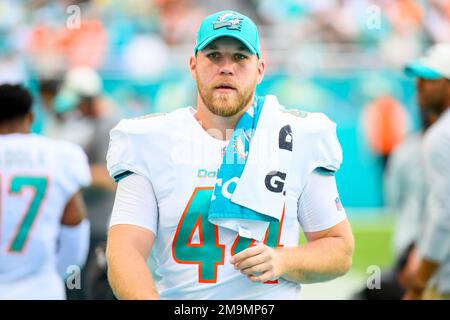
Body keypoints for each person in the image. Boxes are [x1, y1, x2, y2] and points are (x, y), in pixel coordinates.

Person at [105, 10, 354, 300]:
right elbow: (126, 250)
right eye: (213, 56)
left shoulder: (294, 136)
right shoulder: (151, 141)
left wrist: (284, 260)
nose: (226, 68)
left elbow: (339, 249)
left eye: (239, 57)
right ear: (193, 65)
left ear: (260, 69)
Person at [0, 84, 91, 299]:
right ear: (31, 117)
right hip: (39, 288)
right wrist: (56, 275)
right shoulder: (61, 156)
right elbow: (74, 229)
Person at [403, 43, 450, 300]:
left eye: (430, 78)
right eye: (418, 79)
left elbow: (444, 215)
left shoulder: (440, 136)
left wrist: (418, 284)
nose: (419, 86)